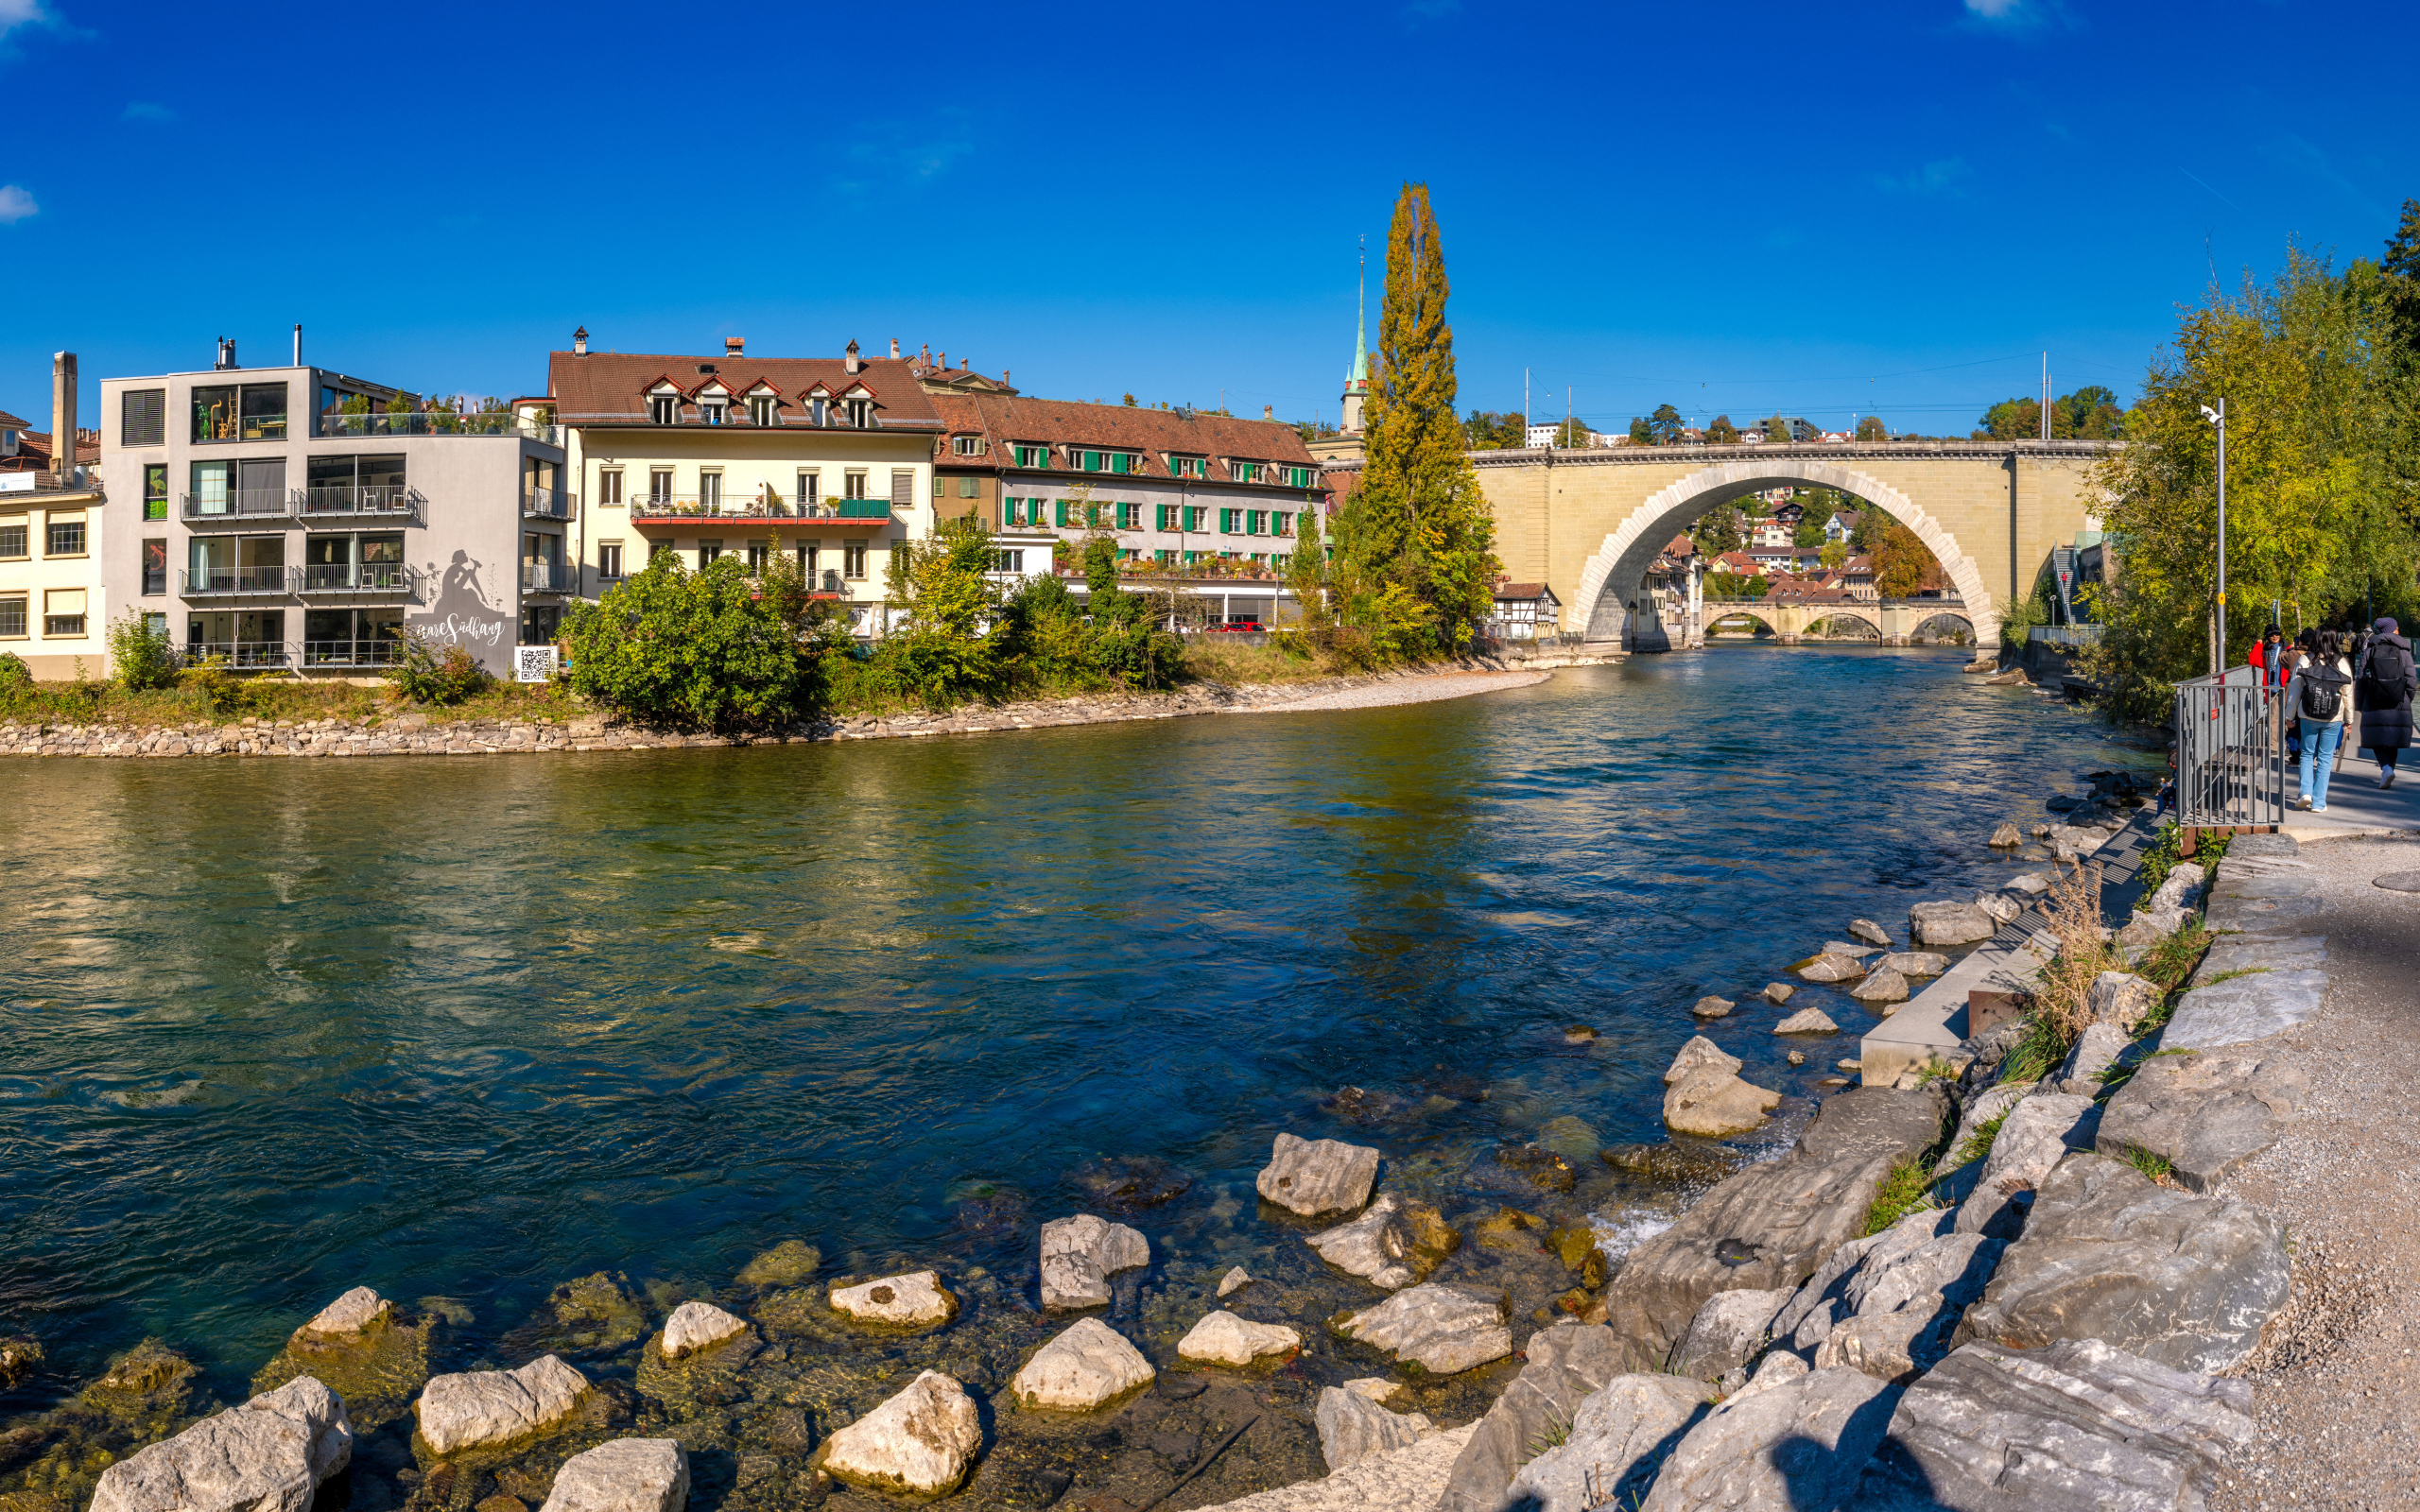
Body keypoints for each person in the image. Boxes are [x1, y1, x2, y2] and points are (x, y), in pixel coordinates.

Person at [2287, 628, 2352, 811]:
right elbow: (2348, 693)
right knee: (2325, 757)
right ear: (2335, 640)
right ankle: (2319, 802)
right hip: (2333, 717)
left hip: (2308, 714)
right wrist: (2349, 719)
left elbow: (2295, 689)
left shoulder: (2305, 659)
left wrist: (2289, 716)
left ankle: (2305, 792)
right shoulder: (2342, 662)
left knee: (2307, 754)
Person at [2355, 616, 2416, 790]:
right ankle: (2389, 770)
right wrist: (2407, 698)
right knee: (2392, 738)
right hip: (2399, 700)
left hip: (2374, 700)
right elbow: (2411, 679)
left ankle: (2386, 768)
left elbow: (2361, 679)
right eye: (2397, 627)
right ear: (2392, 630)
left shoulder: (2370, 650)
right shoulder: (2404, 651)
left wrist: (2359, 704)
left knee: (2377, 738)